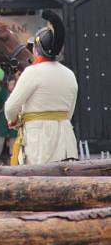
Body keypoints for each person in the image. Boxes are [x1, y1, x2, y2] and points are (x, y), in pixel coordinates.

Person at [5, 9, 78, 165]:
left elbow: (10, 108)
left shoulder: (32, 72)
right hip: (66, 139)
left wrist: (14, 120)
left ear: (37, 49)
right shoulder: (69, 74)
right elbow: (69, 112)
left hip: (40, 142)